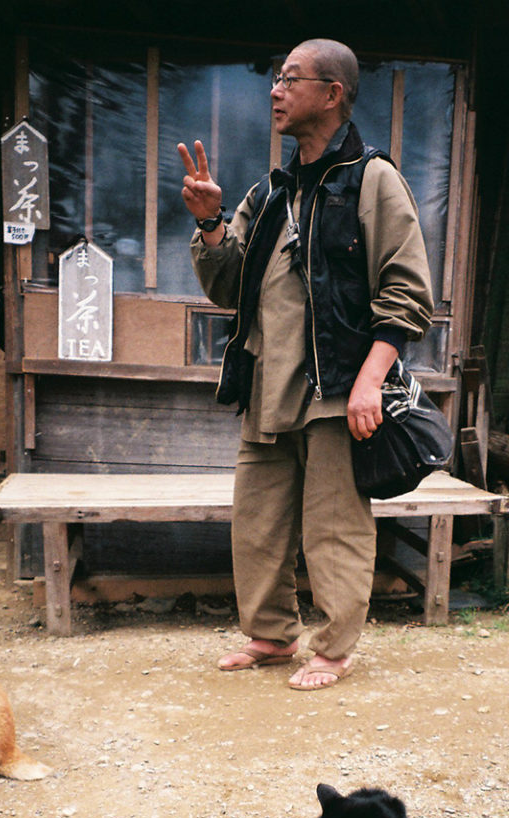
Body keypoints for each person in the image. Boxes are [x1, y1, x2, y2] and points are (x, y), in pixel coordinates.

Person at [178, 38, 433, 690]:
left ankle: (335, 648)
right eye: (275, 80)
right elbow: (229, 286)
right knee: (257, 522)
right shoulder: (268, 192)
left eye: (290, 80)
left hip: (336, 385)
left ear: (332, 93)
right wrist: (210, 227)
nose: (275, 91)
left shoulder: (374, 181)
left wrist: (370, 383)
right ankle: (269, 635)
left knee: (332, 526)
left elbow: (406, 296)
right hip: (267, 382)